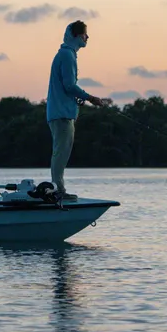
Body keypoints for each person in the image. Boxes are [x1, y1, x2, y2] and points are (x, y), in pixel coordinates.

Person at [46, 21, 103, 200]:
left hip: (61, 112)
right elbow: (70, 85)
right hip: (61, 114)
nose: (87, 37)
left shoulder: (65, 54)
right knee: (61, 153)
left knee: (61, 151)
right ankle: (59, 191)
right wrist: (90, 98)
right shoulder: (67, 55)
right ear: (77, 36)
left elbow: (66, 87)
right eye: (85, 34)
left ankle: (58, 188)